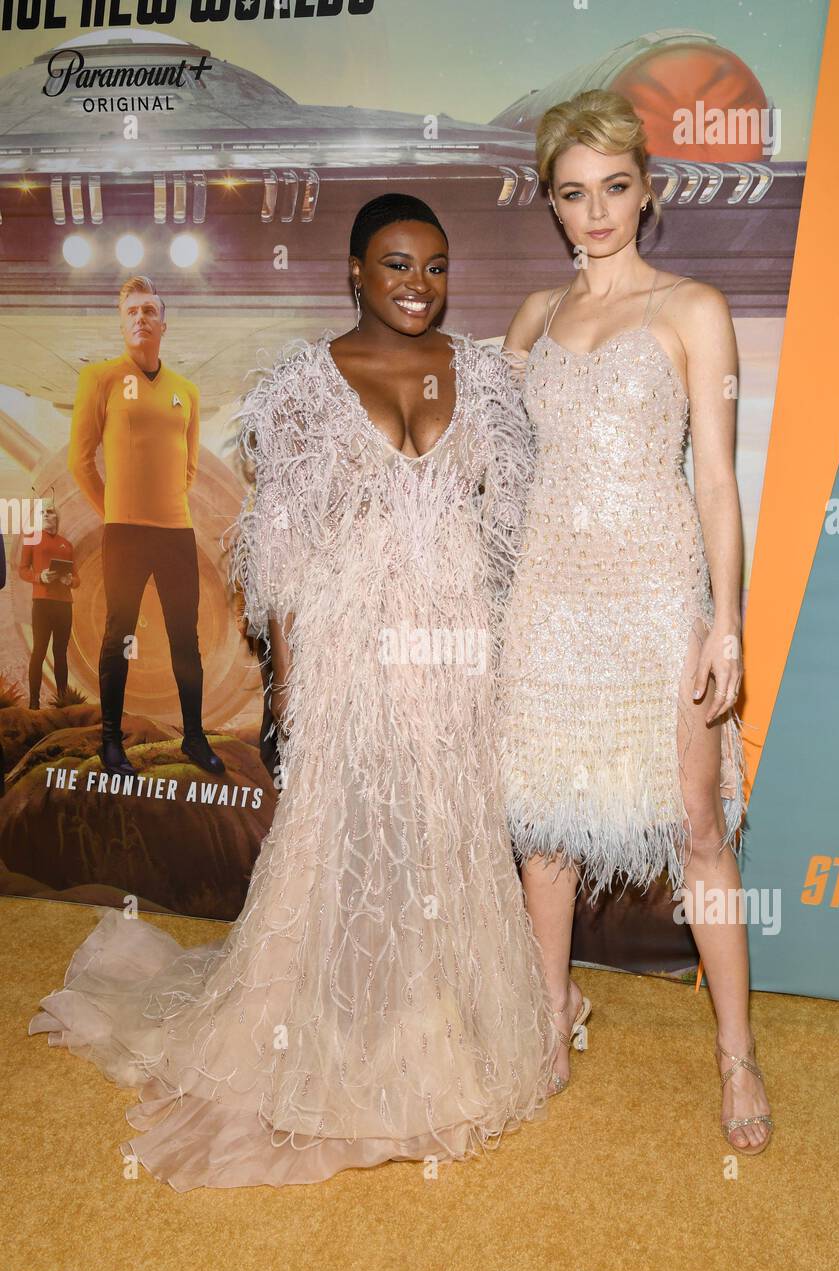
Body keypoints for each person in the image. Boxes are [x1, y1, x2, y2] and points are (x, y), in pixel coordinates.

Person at [28, 194, 559, 1190]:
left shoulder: (485, 380)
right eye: (397, 265)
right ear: (354, 270)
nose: (418, 286)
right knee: (343, 840)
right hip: (355, 654)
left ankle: (430, 1020)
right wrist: (292, 693)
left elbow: (509, 538)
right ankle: (333, 1027)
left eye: (436, 268)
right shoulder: (304, 390)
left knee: (445, 831)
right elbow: (284, 559)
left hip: (451, 649)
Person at [497, 90, 773, 1153]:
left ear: (646, 189)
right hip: (549, 603)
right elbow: (500, 477)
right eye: (572, 194)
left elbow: (714, 483)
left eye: (614, 187)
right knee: (546, 838)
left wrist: (727, 623)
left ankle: (736, 1051)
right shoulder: (531, 318)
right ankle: (546, 1019)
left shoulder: (692, 309)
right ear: (553, 204)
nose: (595, 211)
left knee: (700, 831)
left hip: (658, 600)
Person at [67, 275, 224, 776]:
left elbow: (191, 465)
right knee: (117, 636)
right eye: (132, 311)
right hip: (126, 533)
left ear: (163, 324)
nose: (140, 319)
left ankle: (194, 739)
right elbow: (80, 460)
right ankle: (110, 743)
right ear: (122, 323)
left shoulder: (186, 390)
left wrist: (168, 505)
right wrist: (113, 514)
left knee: (185, 639)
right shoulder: (101, 379)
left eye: (148, 311)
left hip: (176, 533)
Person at [18, 503, 79, 709]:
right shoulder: (32, 538)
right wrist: (40, 577)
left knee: (60, 652)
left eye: (49, 512)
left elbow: (77, 578)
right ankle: (34, 703)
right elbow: (22, 570)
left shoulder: (67, 544)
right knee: (39, 651)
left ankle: (63, 701)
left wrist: (70, 581)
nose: (45, 515)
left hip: (64, 604)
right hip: (42, 603)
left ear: (57, 517)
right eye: (42, 512)